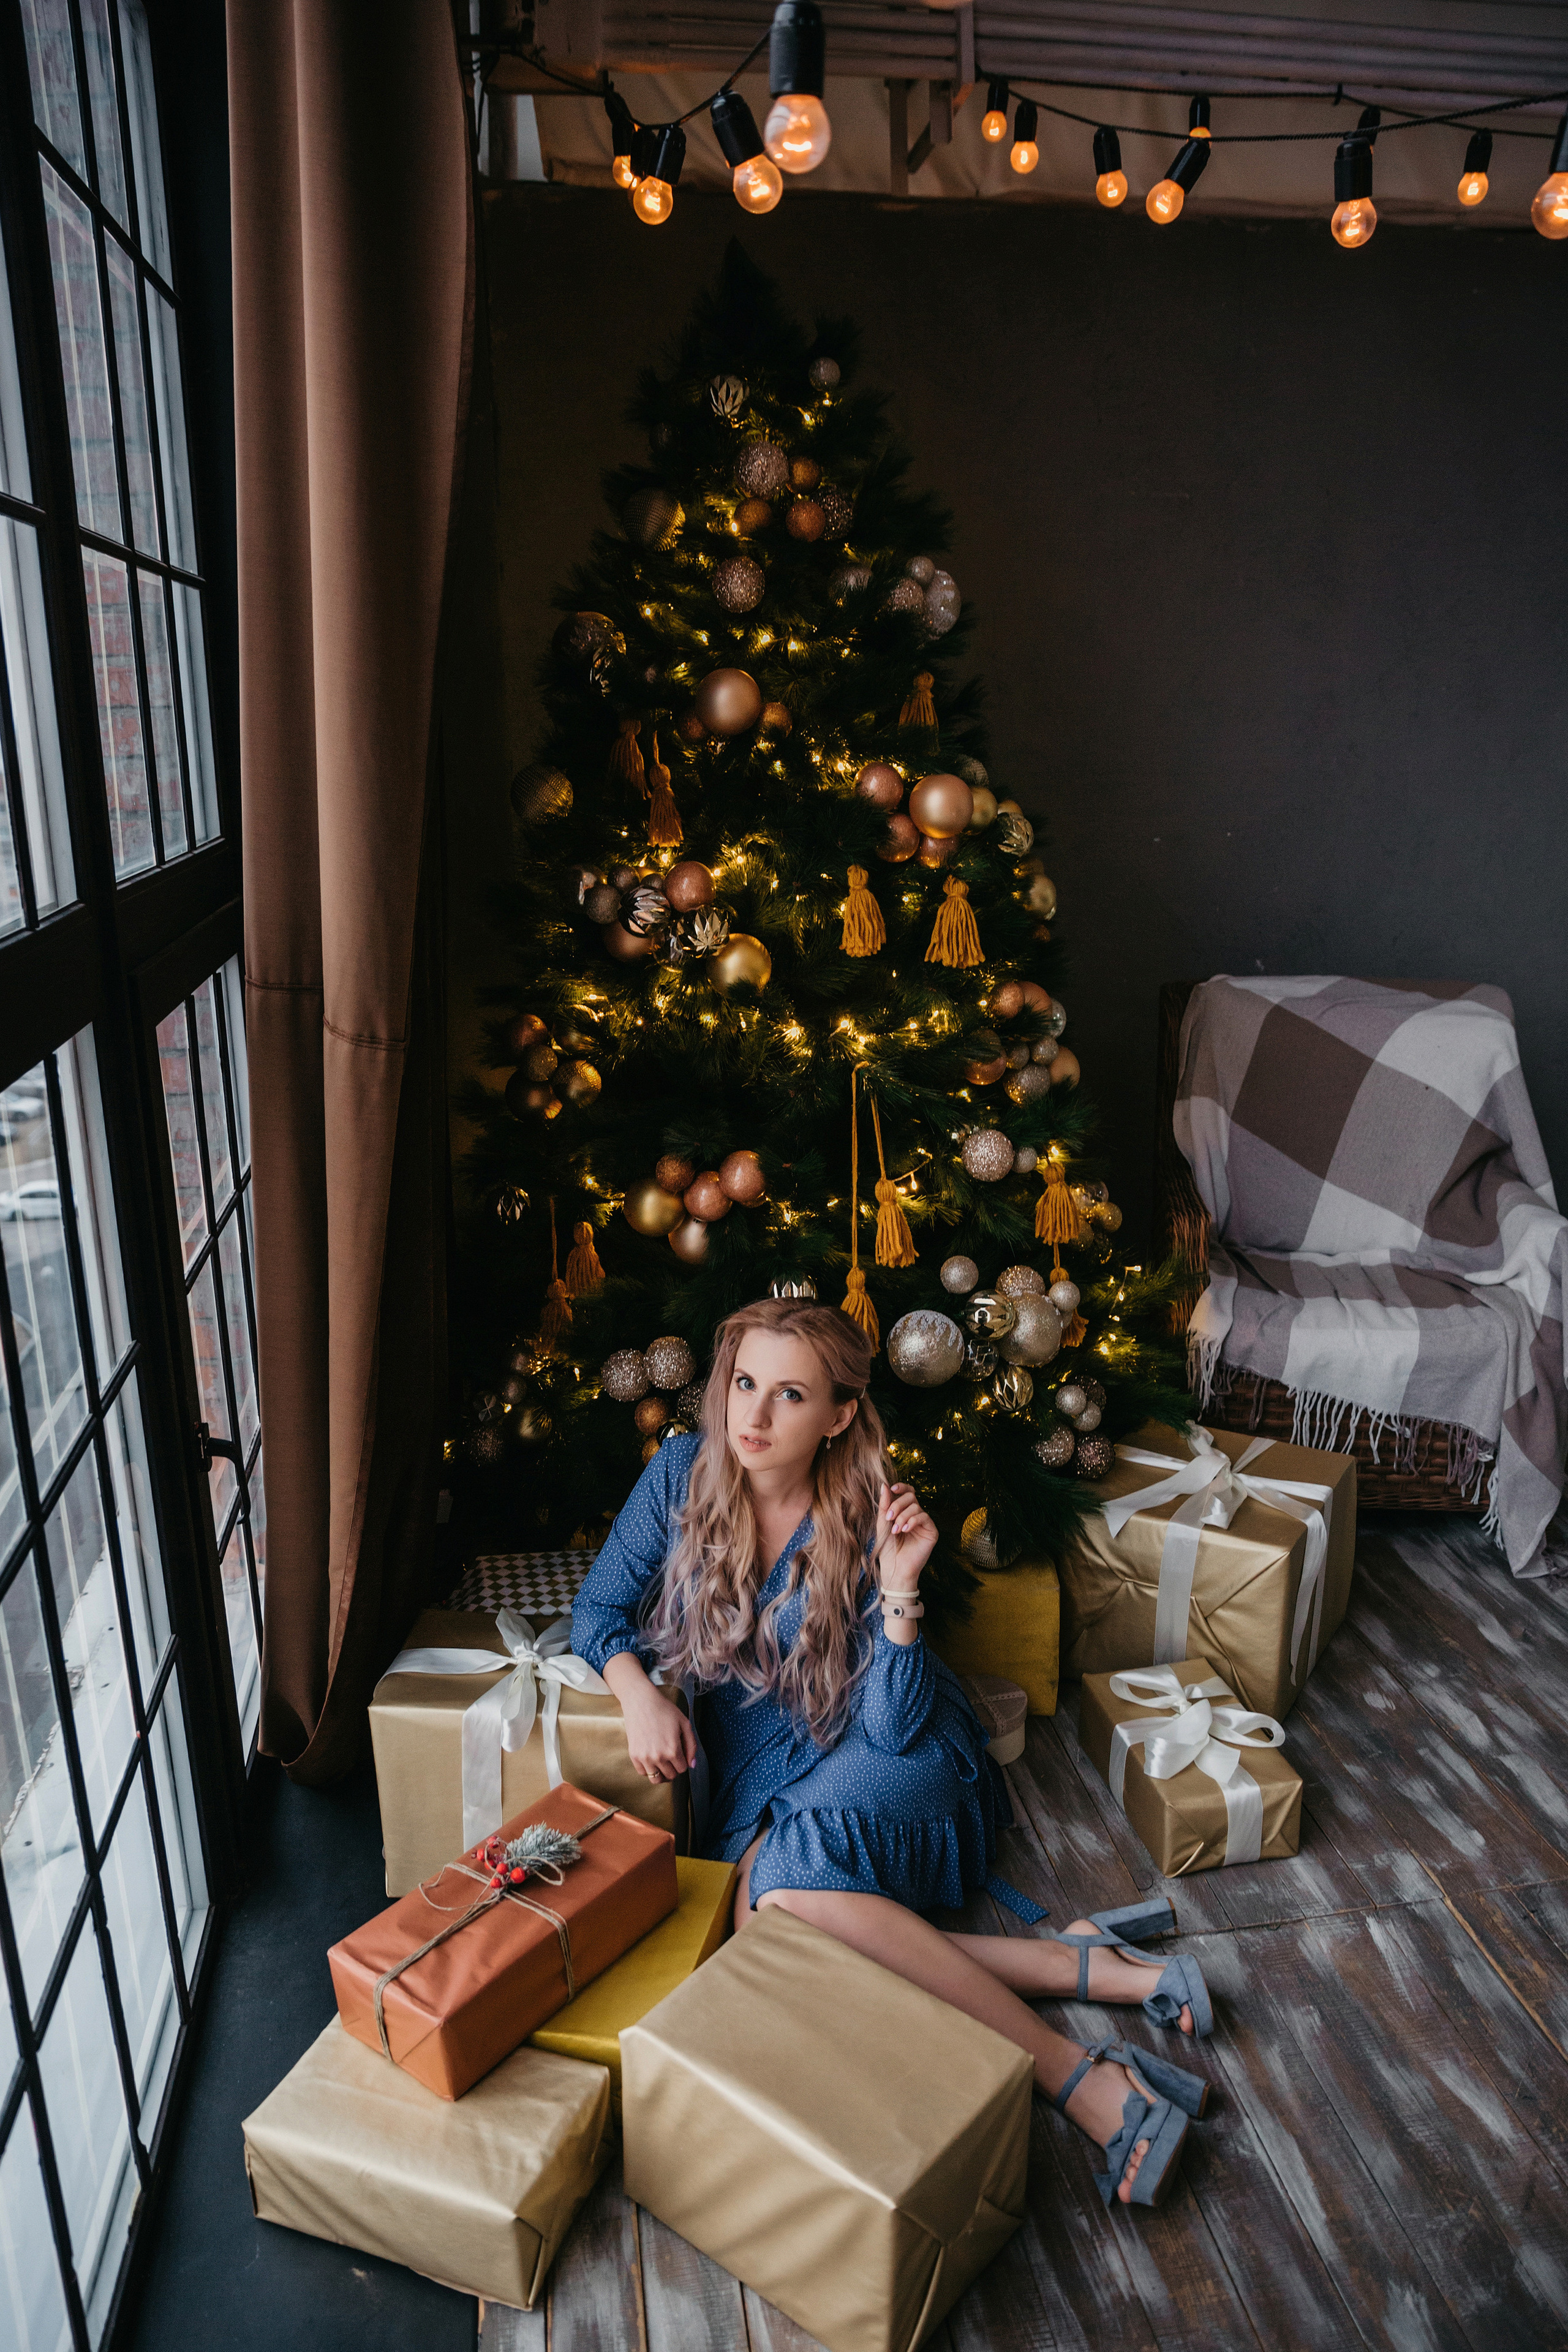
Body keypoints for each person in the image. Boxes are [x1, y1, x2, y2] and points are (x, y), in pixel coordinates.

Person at [572, 1296, 1213, 2210]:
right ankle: (1081, 1967)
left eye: (788, 1396)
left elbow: (894, 1727)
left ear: (838, 1416)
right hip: (764, 1773)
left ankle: (1080, 2078)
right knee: (770, 1929)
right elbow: (596, 1613)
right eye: (744, 1384)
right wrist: (635, 1692)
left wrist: (901, 1587)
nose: (751, 1418)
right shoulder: (681, 1473)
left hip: (892, 1749)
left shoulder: (867, 1511)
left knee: (783, 1899)